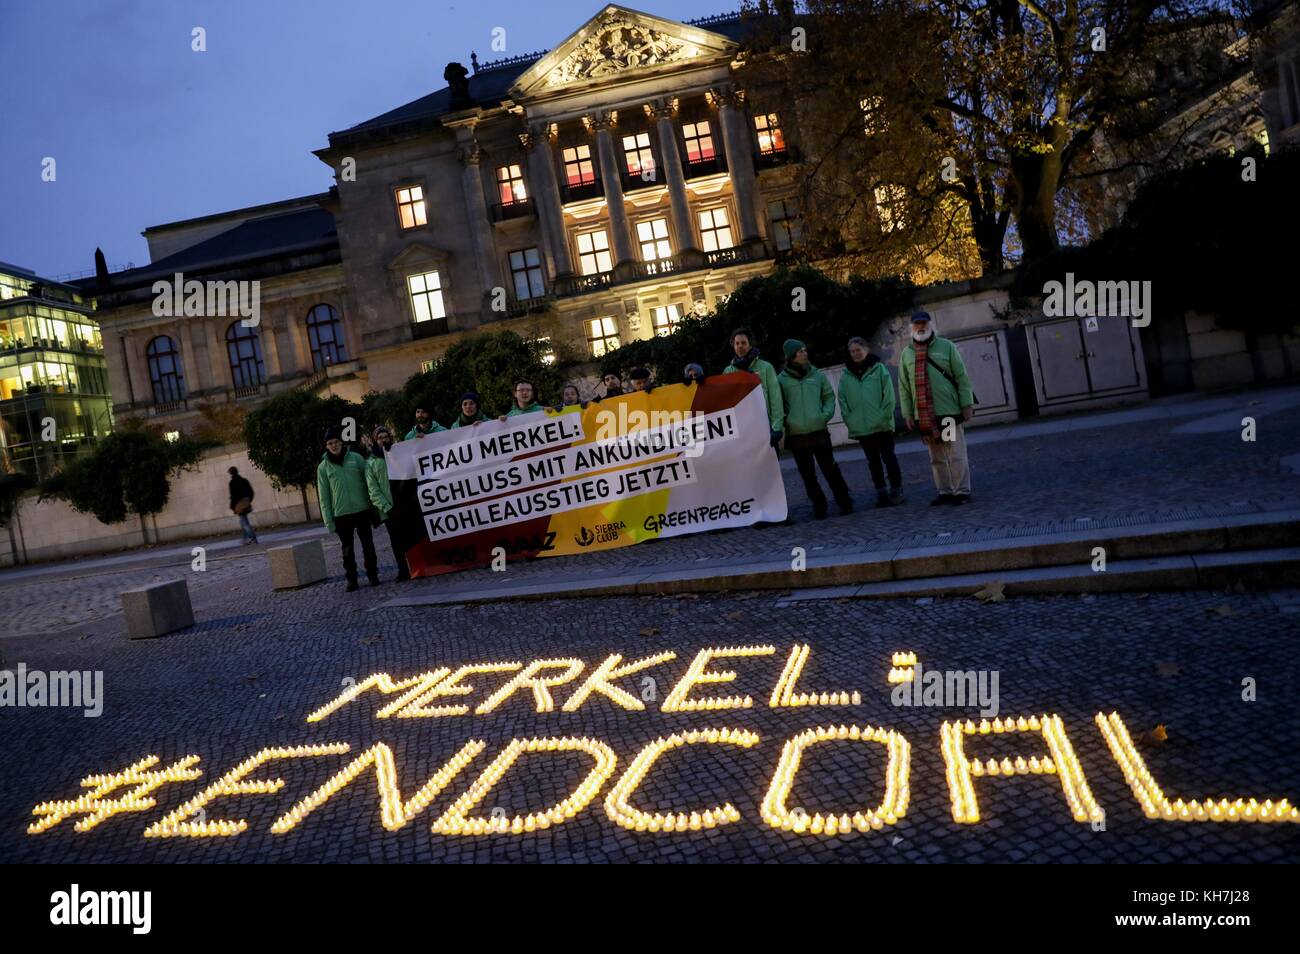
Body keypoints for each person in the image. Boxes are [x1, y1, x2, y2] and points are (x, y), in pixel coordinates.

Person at [898, 311, 975, 506]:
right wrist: (907, 413)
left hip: (947, 412)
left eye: (924, 323)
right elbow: (904, 386)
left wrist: (966, 404)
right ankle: (945, 491)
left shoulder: (946, 347)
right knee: (937, 457)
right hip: (925, 416)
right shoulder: (907, 353)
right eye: (916, 324)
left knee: (954, 453)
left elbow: (961, 377)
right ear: (911, 328)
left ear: (931, 325)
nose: (920, 327)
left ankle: (961, 491)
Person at [778, 339, 853, 519]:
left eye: (805, 350)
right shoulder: (780, 380)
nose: (805, 353)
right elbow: (778, 405)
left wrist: (824, 415)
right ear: (791, 356)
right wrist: (788, 422)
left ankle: (845, 502)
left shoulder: (817, 375)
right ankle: (819, 506)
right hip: (797, 435)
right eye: (800, 351)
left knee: (831, 469)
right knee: (808, 475)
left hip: (819, 430)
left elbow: (828, 396)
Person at [838, 336, 904, 508]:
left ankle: (896, 490)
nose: (855, 354)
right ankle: (881, 493)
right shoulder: (846, 375)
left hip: (882, 425)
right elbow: (842, 400)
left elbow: (889, 396)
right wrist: (851, 421)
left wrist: (883, 416)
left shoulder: (879, 369)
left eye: (858, 350)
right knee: (873, 463)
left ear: (866, 349)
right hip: (862, 428)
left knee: (889, 459)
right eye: (852, 351)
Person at [317, 425, 380, 591]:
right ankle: (351, 579)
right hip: (341, 514)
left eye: (336, 441)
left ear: (342, 442)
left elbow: (369, 484)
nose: (334, 445)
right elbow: (324, 496)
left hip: (362, 510)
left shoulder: (357, 458)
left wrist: (375, 509)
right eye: (330, 443)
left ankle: (373, 574)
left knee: (368, 546)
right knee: (347, 550)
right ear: (326, 446)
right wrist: (328, 520)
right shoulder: (323, 468)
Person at [723, 327, 784, 453]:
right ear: (733, 346)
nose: (740, 346)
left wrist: (776, 428)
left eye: (743, 343)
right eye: (737, 343)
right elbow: (725, 403)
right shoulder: (728, 372)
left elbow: (775, 399)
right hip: (743, 432)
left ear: (750, 344)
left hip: (766, 429)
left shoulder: (766, 367)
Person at [364, 425, 410, 582]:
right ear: (375, 440)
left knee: (410, 538)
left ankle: (416, 566)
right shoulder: (370, 463)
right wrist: (387, 508)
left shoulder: (399, 454)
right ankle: (403, 570)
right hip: (389, 510)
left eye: (386, 437)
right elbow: (373, 490)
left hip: (404, 505)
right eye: (380, 438)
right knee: (396, 542)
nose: (384, 440)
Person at [227, 466, 258, 545]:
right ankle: (246, 539)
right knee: (243, 522)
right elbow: (251, 492)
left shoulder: (232, 482)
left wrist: (232, 506)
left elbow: (233, 496)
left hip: (239, 504)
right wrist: (248, 500)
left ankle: (252, 538)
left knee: (244, 523)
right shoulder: (244, 480)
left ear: (231, 473)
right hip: (246, 501)